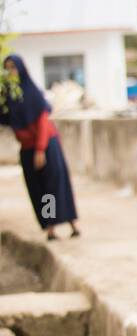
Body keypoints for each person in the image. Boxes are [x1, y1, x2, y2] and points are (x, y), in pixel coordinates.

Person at [1, 54, 80, 240]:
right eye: (7, 68)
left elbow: (43, 122)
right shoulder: (8, 97)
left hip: (45, 147)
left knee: (55, 186)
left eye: (13, 67)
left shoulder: (32, 93)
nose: (10, 72)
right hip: (27, 148)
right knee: (40, 189)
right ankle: (50, 227)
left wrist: (40, 149)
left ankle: (71, 223)